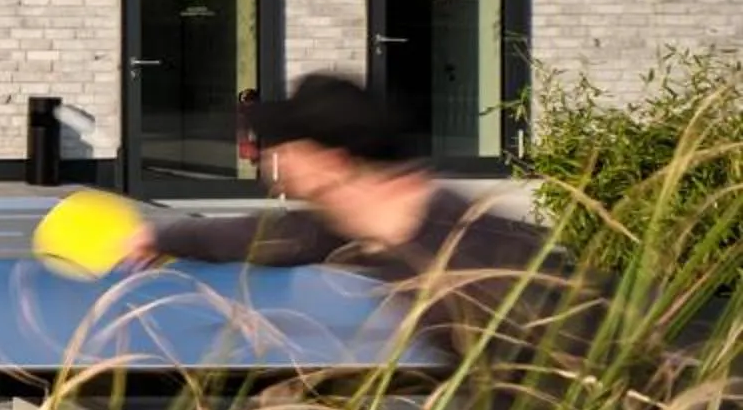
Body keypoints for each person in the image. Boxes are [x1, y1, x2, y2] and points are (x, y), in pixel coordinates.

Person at [123, 70, 570, 382]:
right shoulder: (354, 225)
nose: (270, 157)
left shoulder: (473, 257)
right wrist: (159, 234)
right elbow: (263, 236)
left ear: (330, 163)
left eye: (286, 146)